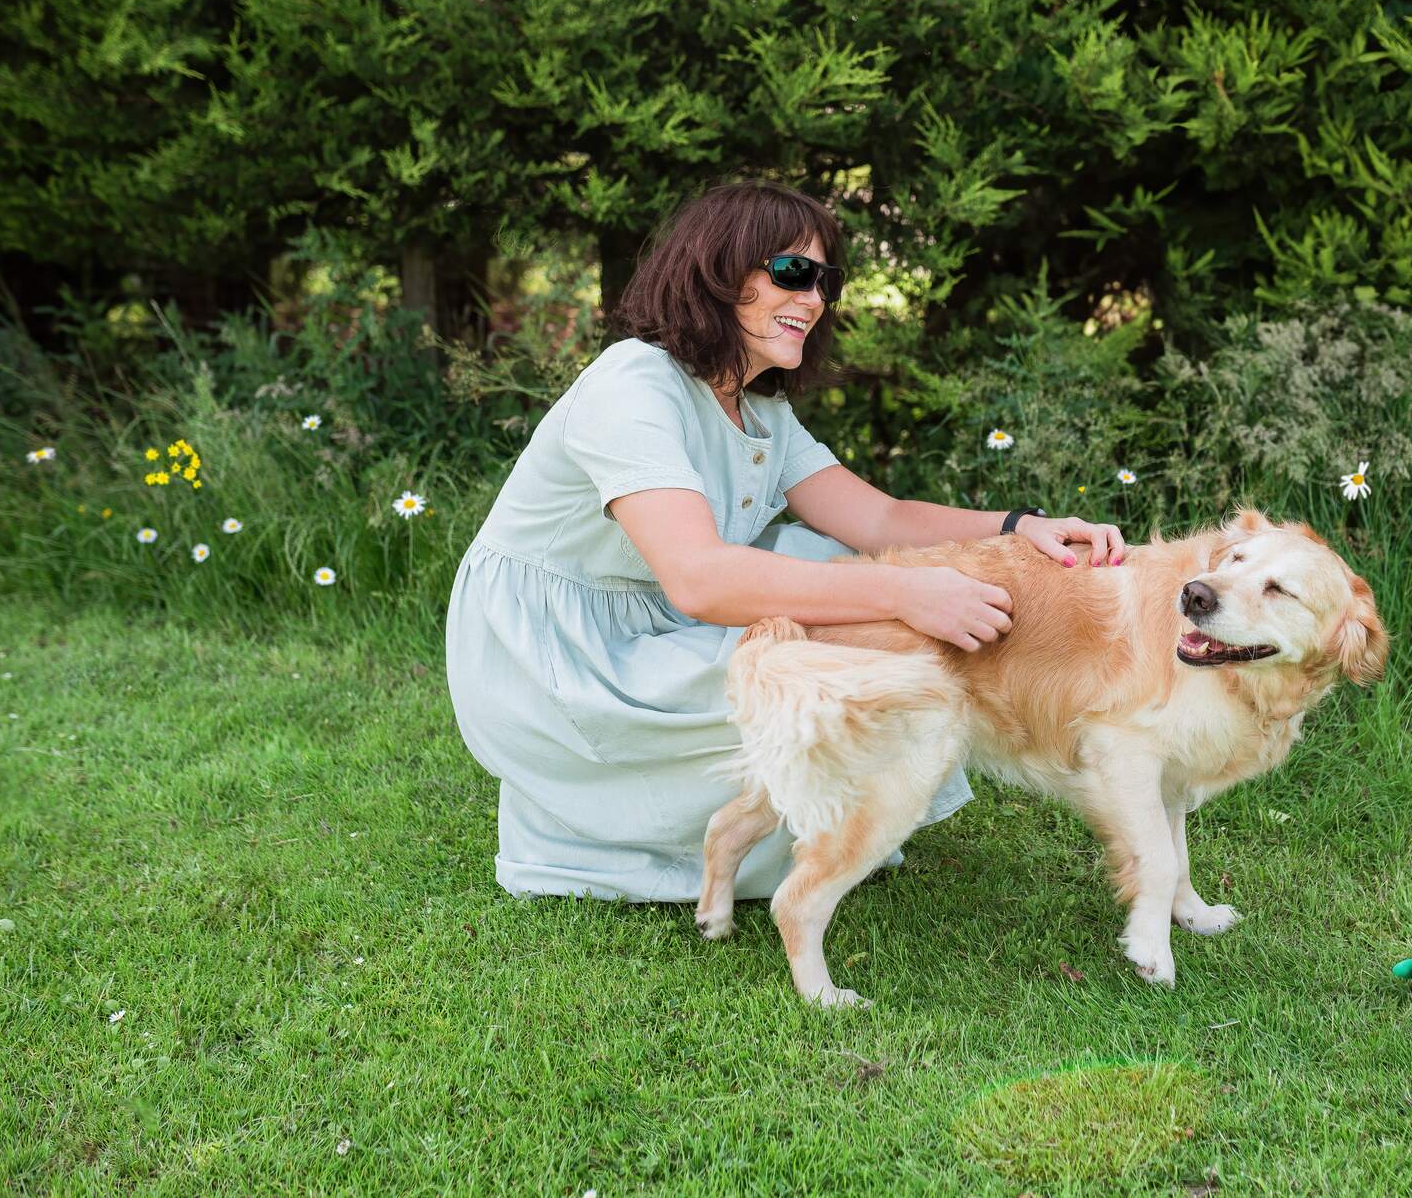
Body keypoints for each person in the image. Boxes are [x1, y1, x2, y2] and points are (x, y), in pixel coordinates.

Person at [445, 180, 1125, 903]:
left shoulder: (756, 408)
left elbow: (881, 520)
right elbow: (700, 580)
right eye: (792, 272)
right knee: (842, 637)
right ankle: (591, 833)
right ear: (717, 267)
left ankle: (792, 823)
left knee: (838, 576)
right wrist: (906, 592)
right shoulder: (633, 385)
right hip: (554, 648)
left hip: (650, 617)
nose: (813, 298)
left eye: (824, 280)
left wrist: (1019, 527)